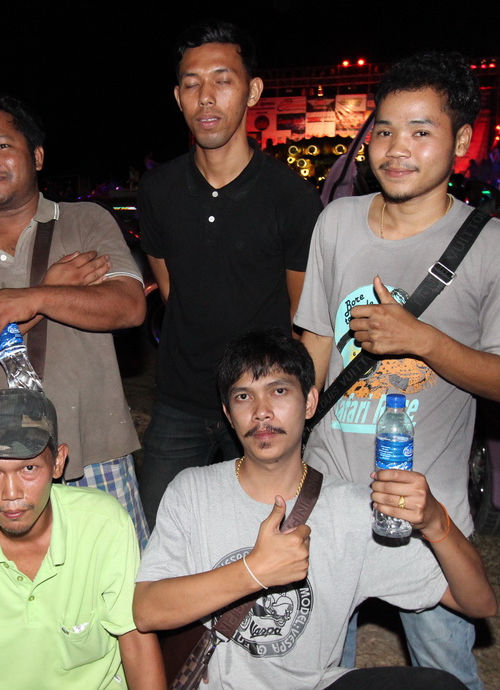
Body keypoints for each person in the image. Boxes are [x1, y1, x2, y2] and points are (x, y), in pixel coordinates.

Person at [295, 52, 500, 689]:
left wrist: (421, 340)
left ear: (461, 142)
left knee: (445, 672)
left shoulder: (499, 247)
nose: (396, 148)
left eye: (420, 130)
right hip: (328, 496)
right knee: (317, 668)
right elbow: (316, 339)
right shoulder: (337, 221)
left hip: (424, 507)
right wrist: (286, 435)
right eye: (383, 130)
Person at [134, 329, 496, 689]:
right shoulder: (194, 491)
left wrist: (437, 523)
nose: (261, 412)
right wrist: (254, 571)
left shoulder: (352, 511)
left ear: (310, 402)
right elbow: (146, 610)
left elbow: (479, 604)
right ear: (229, 414)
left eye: (279, 391)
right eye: (244, 396)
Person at [0, 91, 151, 545]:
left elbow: (128, 305)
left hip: (97, 445)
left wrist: (36, 296)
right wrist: (42, 298)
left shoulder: (84, 221)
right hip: (3, 461)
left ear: (38, 156)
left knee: (121, 579)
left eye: (2, 145)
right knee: (22, 583)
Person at [138, 21, 323, 527]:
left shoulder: (292, 198)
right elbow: (172, 290)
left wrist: (284, 402)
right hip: (180, 399)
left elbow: (303, 317)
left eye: (223, 80)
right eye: (192, 84)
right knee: (159, 531)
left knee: (264, 535)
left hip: (260, 402)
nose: (206, 97)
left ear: (252, 91)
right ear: (178, 97)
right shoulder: (158, 191)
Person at [0, 388, 165, 690]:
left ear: (58, 462)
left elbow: (135, 639)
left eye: (29, 468)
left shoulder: (103, 524)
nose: (11, 494)